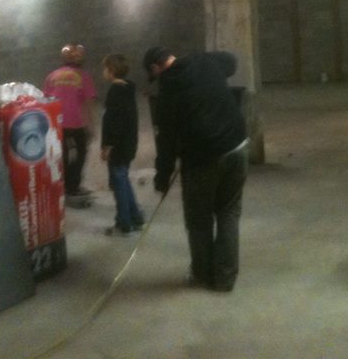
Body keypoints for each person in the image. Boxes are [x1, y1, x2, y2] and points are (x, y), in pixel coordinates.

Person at [143, 46, 249, 292]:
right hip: (236, 147)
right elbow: (231, 61)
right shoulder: (204, 61)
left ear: (155, 68)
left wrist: (162, 177)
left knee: (199, 221)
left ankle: (202, 275)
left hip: (202, 161)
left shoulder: (167, 92)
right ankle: (225, 279)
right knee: (228, 213)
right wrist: (206, 62)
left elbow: (166, 142)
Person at [43, 43, 97, 201]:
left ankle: (64, 186)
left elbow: (46, 100)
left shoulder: (52, 76)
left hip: (57, 123)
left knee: (63, 155)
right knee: (81, 153)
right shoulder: (83, 76)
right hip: (77, 123)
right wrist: (91, 126)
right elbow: (88, 103)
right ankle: (73, 187)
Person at [100, 54, 145, 236]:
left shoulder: (115, 91)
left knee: (119, 183)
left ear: (111, 70)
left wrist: (107, 146)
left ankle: (124, 223)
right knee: (123, 180)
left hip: (118, 146)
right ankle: (136, 217)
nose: (103, 72)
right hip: (128, 143)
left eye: (105, 68)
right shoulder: (127, 89)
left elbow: (113, 123)